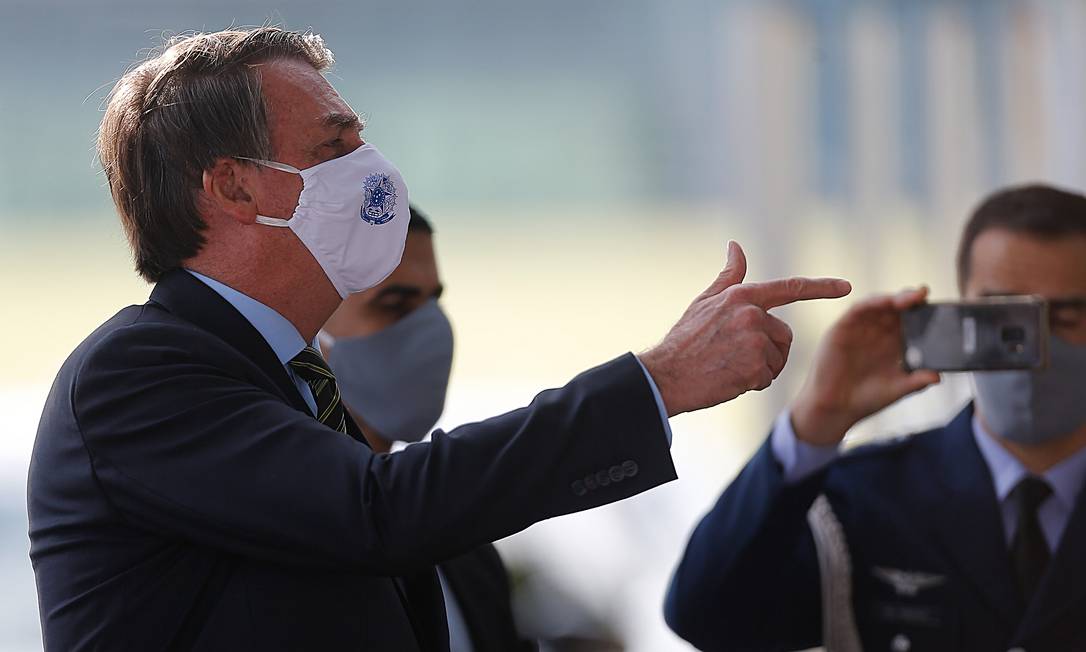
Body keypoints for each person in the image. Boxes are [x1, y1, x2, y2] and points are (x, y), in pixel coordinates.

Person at [27, 27, 850, 651]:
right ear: (236, 188)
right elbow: (378, 511)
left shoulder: (289, 379)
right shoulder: (138, 371)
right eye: (333, 145)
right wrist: (657, 381)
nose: (371, 165)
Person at [664, 183, 1086, 651]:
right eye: (1004, 320)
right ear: (958, 311)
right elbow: (709, 615)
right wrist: (812, 425)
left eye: (1066, 318)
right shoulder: (865, 499)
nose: (1034, 350)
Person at [320, 205, 533, 651]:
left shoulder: (462, 545)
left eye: (433, 301)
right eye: (395, 303)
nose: (431, 330)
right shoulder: (279, 542)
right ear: (310, 331)